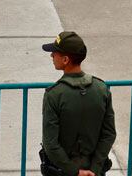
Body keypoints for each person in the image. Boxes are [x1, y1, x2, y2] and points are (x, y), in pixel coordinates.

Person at [40, 31, 116, 176]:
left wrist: (74, 171)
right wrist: (94, 169)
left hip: (63, 171)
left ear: (65, 59)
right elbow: (109, 134)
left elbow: (51, 144)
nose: (51, 56)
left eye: (54, 53)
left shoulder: (54, 95)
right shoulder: (101, 89)